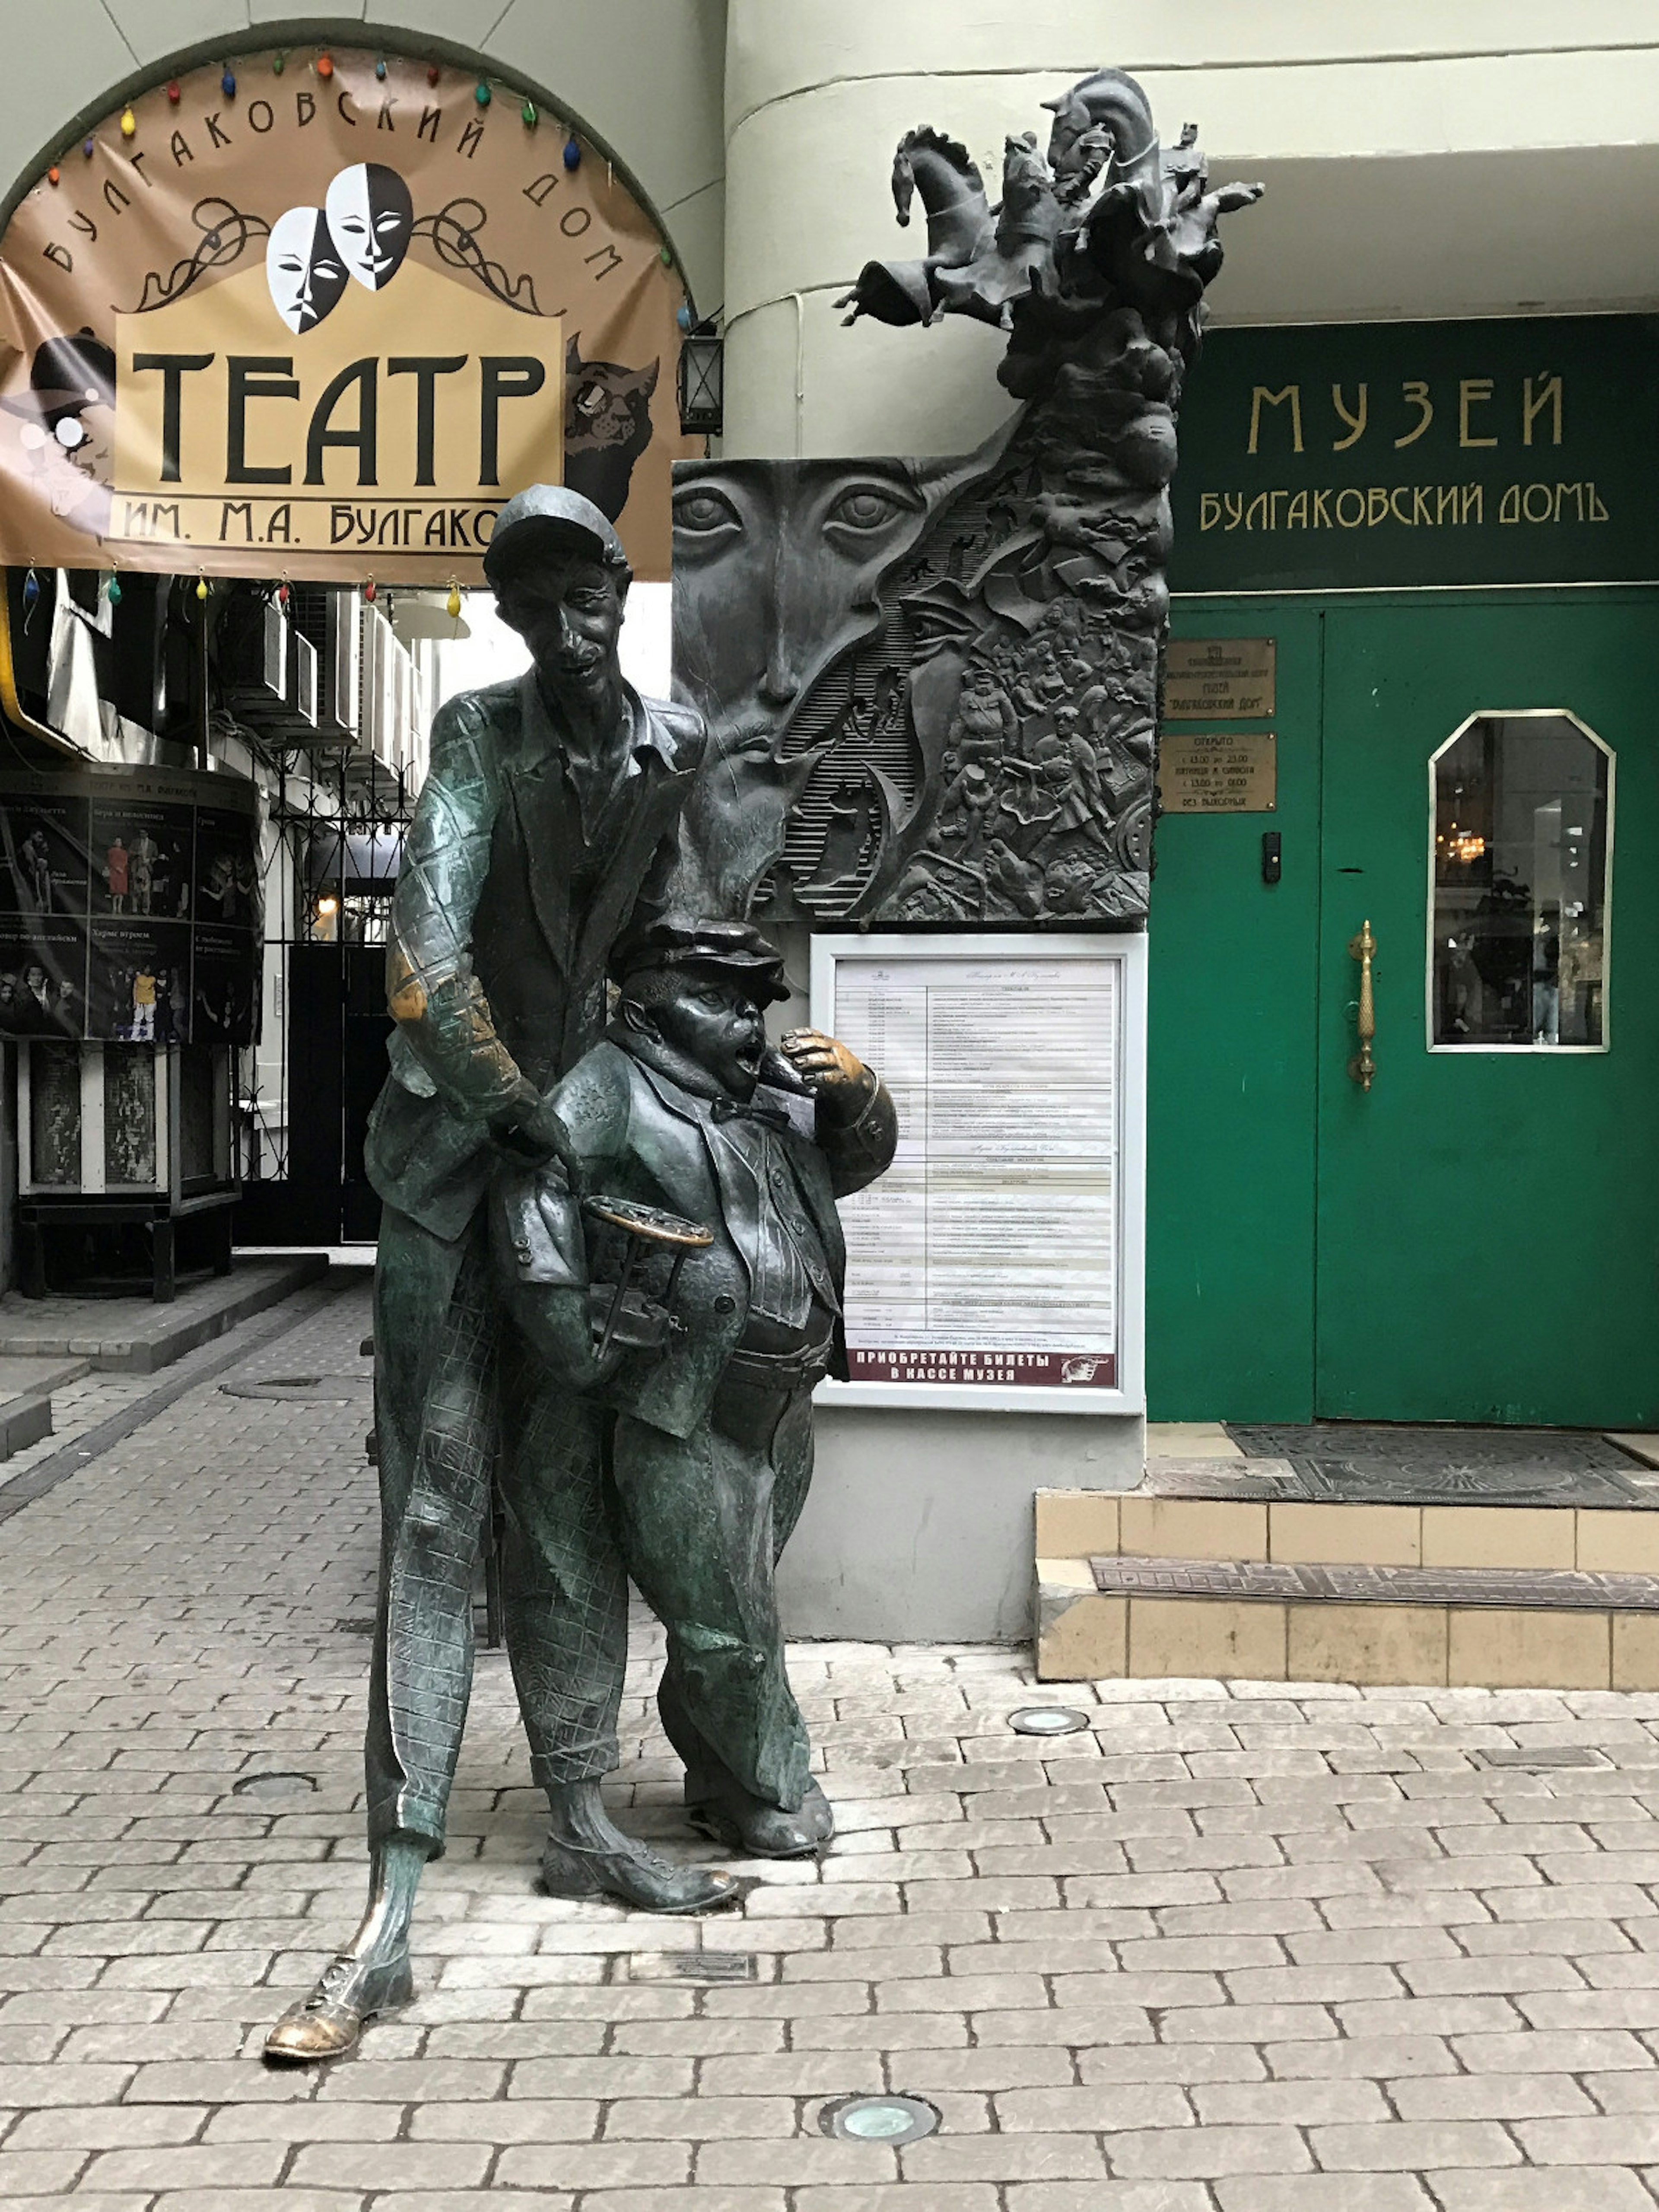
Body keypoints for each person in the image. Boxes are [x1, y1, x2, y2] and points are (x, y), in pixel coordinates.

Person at [266, 486, 713, 2067]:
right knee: (441, 1509)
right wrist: (515, 1108)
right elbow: (426, 951)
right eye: (531, 597)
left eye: (584, 586)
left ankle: (583, 1813)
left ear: (616, 587)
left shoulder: (676, 750)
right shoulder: (473, 740)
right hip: (456, 1166)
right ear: (515, 617)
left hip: (581, 1162)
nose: (565, 618)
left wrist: (679, 1093)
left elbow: (671, 949)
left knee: (570, 1495)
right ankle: (393, 1898)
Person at [493, 920, 897, 1861]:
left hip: (782, 1409)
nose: (748, 1022)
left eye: (756, 1002)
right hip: (683, 1410)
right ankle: (773, 1789)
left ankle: (717, 1777)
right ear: (644, 1006)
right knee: (729, 1624)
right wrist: (574, 1335)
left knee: (739, 1603)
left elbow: (857, 1164)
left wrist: (859, 1096)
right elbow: (534, 1183)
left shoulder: (773, 1096)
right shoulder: (612, 1086)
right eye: (720, 1000)